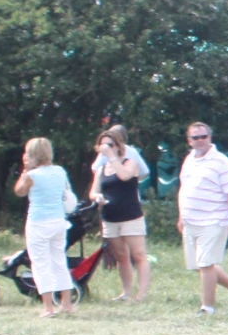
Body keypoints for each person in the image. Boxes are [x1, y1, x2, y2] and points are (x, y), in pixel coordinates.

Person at [177, 122, 228, 314]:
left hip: (213, 220)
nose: (200, 141)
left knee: (205, 264)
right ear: (189, 140)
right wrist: (181, 217)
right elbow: (184, 188)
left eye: (203, 137)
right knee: (198, 265)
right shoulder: (189, 159)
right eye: (195, 137)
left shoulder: (222, 162)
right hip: (191, 220)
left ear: (210, 137)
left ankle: (207, 307)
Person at [11, 137, 77, 318]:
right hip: (58, 221)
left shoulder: (33, 176)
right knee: (59, 260)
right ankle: (66, 303)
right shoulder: (60, 171)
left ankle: (48, 307)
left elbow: (19, 191)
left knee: (41, 264)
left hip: (38, 222)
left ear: (31, 155)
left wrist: (25, 169)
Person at [90, 128, 151, 302]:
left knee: (138, 254)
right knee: (121, 256)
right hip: (110, 217)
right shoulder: (102, 169)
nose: (106, 148)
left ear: (118, 146)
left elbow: (124, 176)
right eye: (103, 145)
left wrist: (112, 157)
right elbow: (93, 191)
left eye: (110, 144)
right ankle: (126, 292)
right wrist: (97, 197)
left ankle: (142, 294)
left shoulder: (129, 162)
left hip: (130, 215)